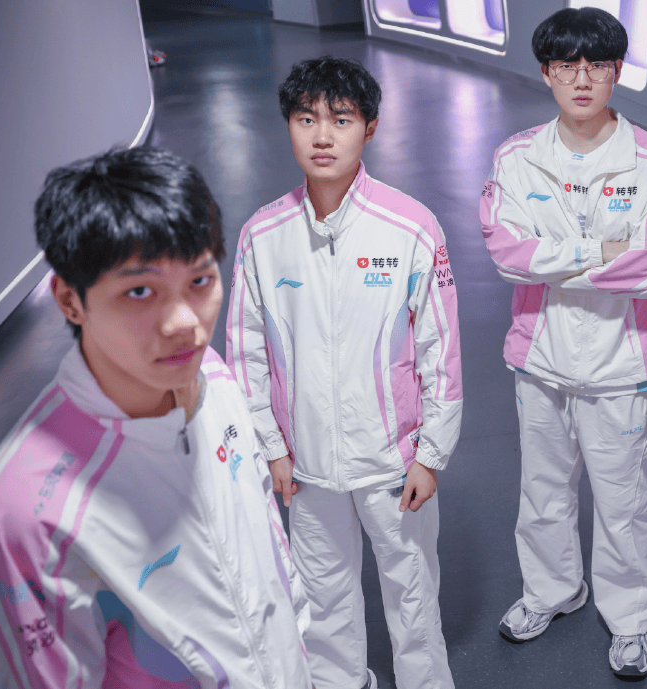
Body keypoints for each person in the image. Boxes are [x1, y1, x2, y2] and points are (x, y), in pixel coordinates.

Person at [0, 146, 312, 688]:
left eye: (199, 281)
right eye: (140, 291)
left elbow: (266, 535)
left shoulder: (213, 376)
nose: (184, 323)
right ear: (70, 300)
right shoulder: (25, 508)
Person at [226, 56, 461, 689]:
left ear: (371, 127)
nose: (322, 136)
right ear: (288, 125)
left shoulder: (411, 227)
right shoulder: (262, 235)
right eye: (306, 119)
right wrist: (272, 448)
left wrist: (430, 454)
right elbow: (245, 353)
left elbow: (441, 351)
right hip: (305, 466)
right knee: (321, 599)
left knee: (414, 596)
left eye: (341, 119)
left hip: (393, 461)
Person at [479, 6, 647, 678]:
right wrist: (601, 250)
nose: (582, 78)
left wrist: (554, 256)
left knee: (625, 501)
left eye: (597, 64)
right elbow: (507, 255)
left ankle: (629, 621)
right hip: (540, 355)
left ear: (616, 71)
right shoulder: (515, 157)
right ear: (546, 73)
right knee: (541, 489)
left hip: (620, 359)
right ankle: (551, 591)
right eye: (566, 65)